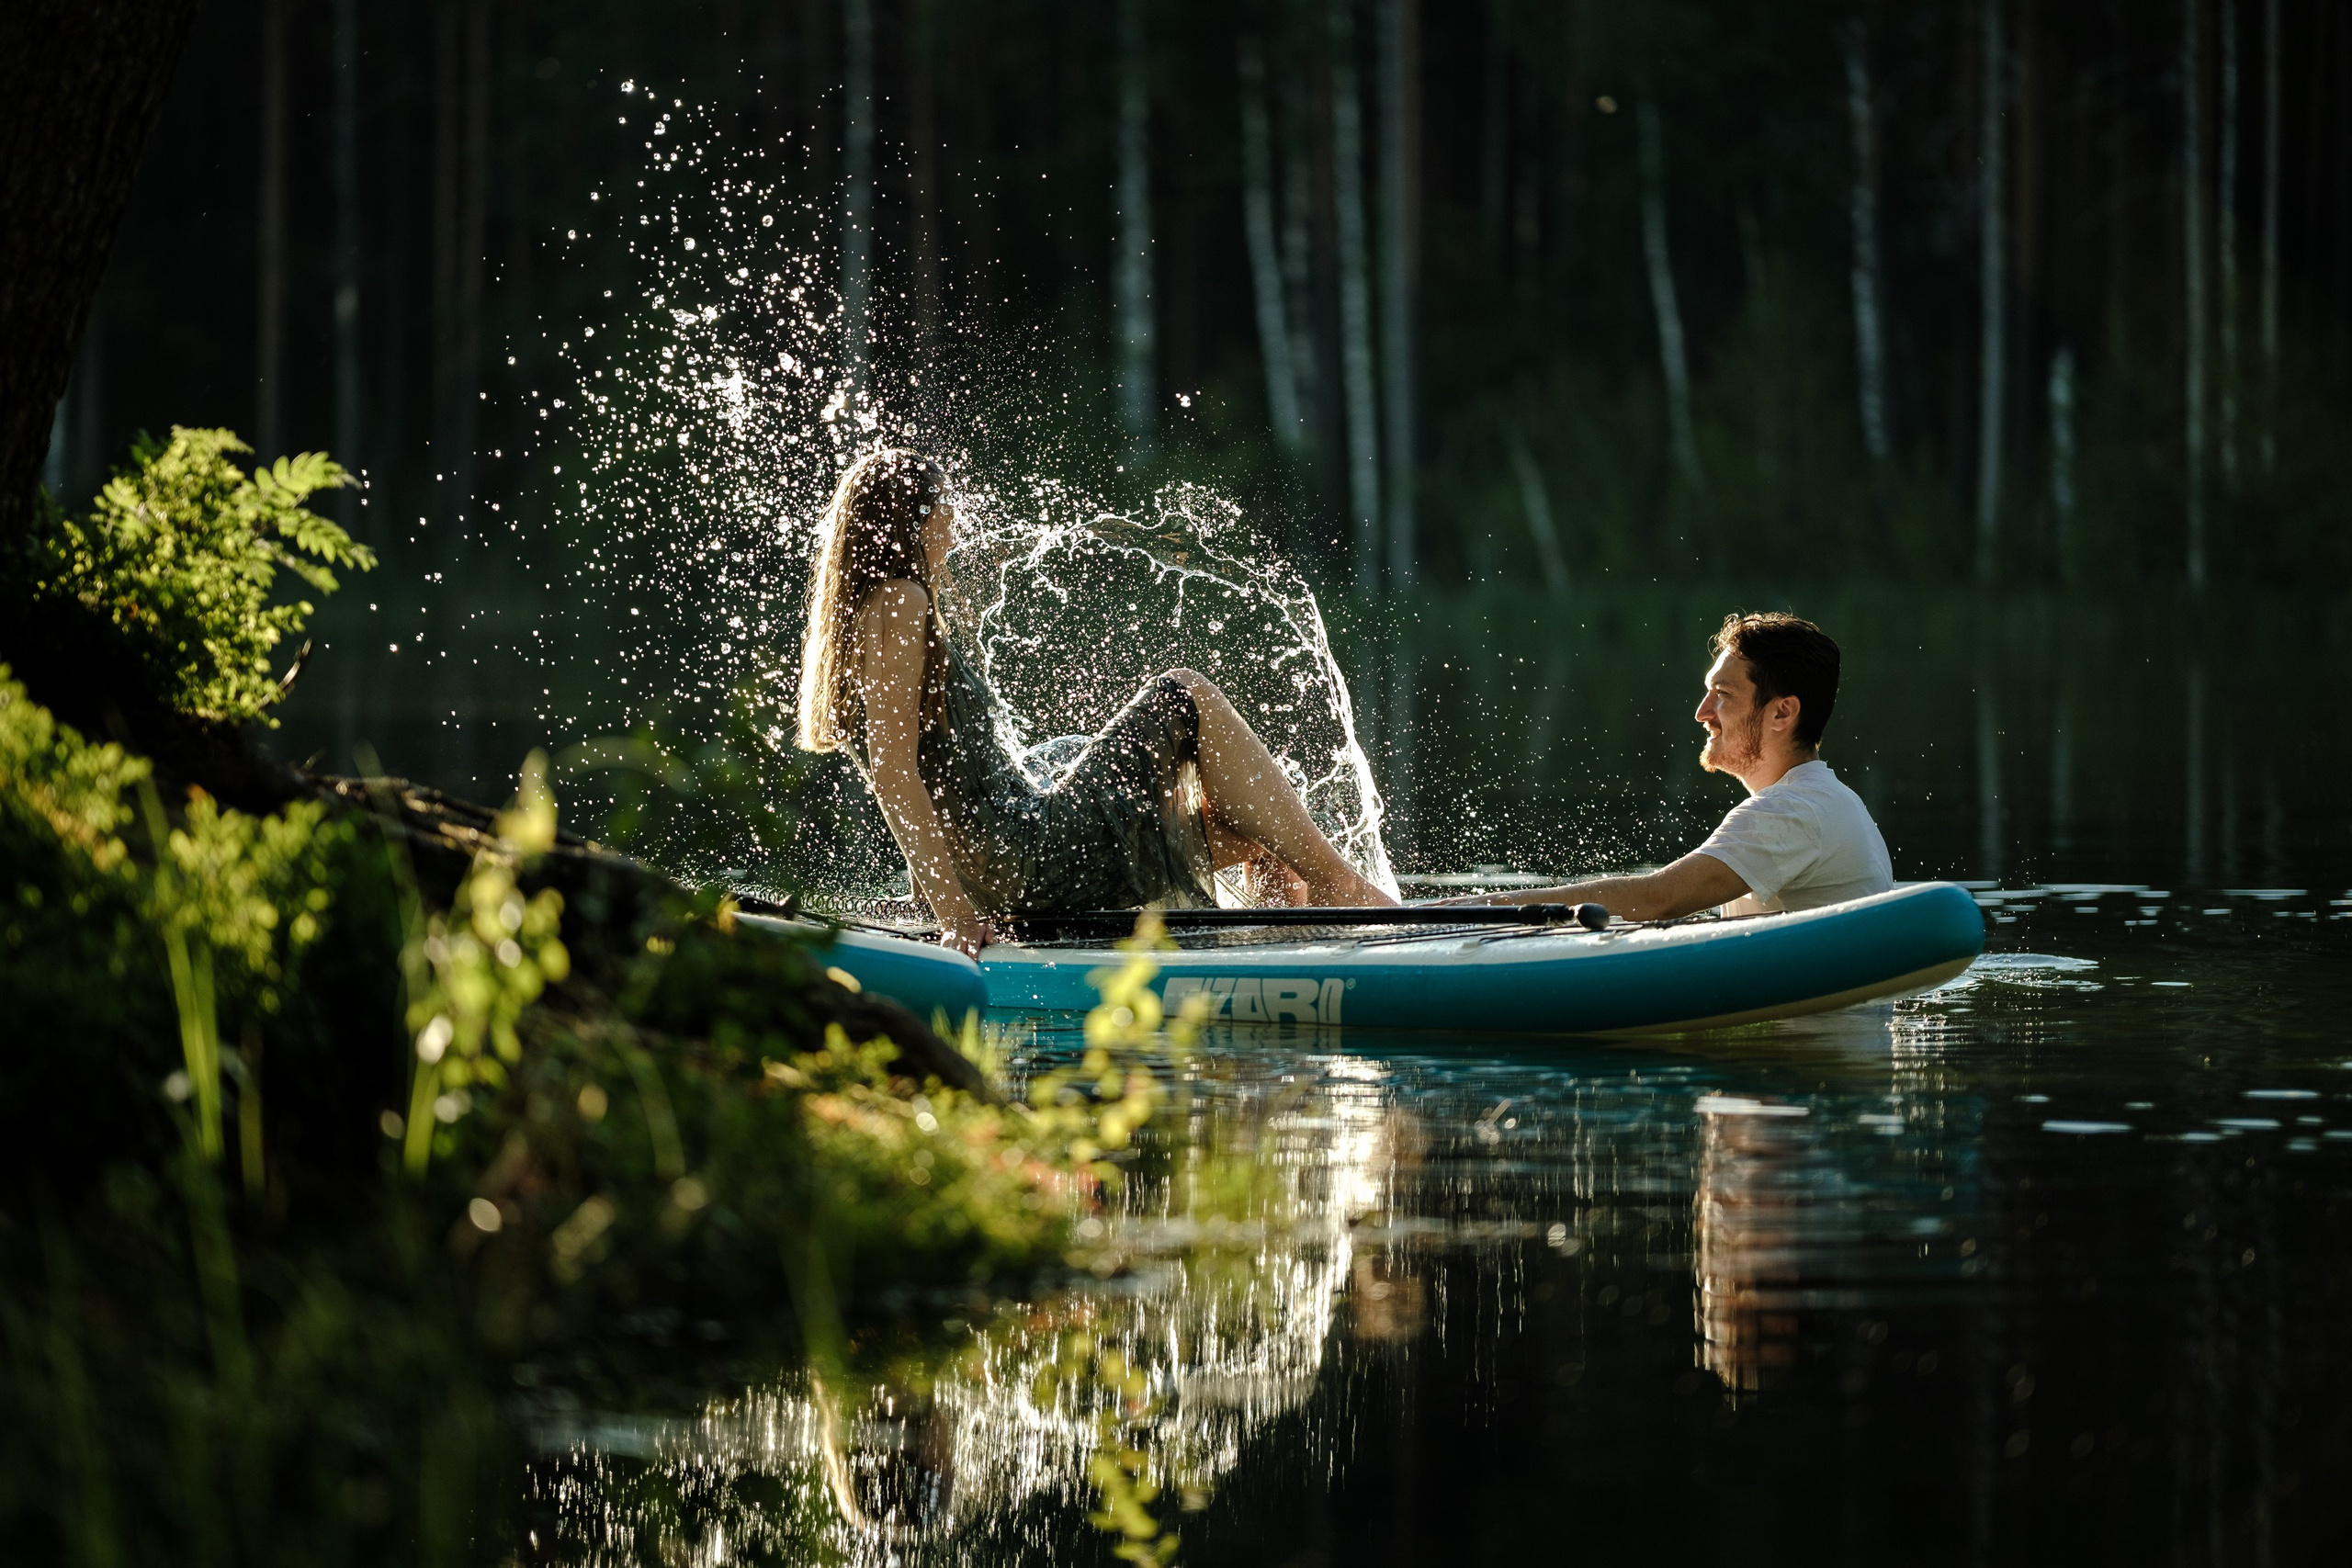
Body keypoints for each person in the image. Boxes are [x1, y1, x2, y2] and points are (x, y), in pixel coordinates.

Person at [796, 448, 1395, 955]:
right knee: (1186, 692)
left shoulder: (864, 620)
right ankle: (1338, 885)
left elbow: (934, 774)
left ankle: (1292, 945)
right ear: (912, 518)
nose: (954, 521)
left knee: (1254, 831)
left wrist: (929, 898)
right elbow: (895, 771)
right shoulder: (902, 601)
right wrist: (954, 918)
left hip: (1008, 861)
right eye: (942, 506)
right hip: (1029, 852)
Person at [1452, 612, 1893, 922]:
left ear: (1782, 713)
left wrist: (1460, 913)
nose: (1703, 712)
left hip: (1806, 1052)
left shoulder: (1796, 810)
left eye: (1724, 694)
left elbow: (1659, 897)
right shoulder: (1820, 800)